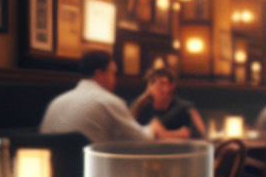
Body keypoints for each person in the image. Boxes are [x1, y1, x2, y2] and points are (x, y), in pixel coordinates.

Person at [40, 50, 172, 143]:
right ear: (100, 73)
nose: (115, 79)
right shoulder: (108, 102)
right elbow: (142, 140)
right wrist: (152, 127)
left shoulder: (56, 102)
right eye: (112, 73)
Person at [131, 66, 206, 139]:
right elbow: (131, 133)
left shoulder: (186, 107)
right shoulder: (142, 108)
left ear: (172, 86)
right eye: (153, 83)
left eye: (162, 83)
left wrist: (164, 134)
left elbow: (200, 133)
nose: (157, 87)